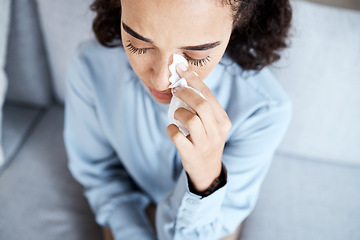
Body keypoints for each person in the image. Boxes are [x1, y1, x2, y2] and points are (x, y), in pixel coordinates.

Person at [63, 0, 293, 239]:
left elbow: (210, 228)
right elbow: (100, 177)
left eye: (195, 56)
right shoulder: (90, 68)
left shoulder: (264, 110)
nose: (161, 81)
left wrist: (206, 181)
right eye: (138, 44)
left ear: (239, 22)